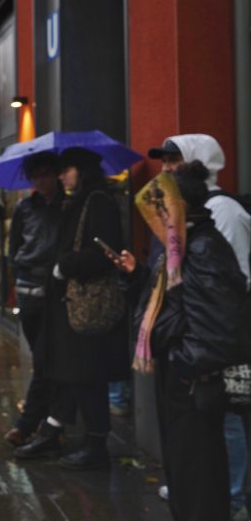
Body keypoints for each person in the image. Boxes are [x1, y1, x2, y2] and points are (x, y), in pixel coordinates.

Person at [109, 161, 251, 521]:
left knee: (199, 474)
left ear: (178, 207)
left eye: (159, 208)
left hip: (192, 380)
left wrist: (185, 366)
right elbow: (172, 304)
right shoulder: (182, 246)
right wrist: (135, 276)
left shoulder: (201, 247)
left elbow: (217, 324)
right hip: (183, 376)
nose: (154, 218)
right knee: (187, 470)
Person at [148, 134, 251, 520]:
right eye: (164, 161)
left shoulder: (219, 213)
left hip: (205, 357)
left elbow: (228, 288)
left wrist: (186, 360)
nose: (167, 168)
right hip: (191, 355)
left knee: (221, 428)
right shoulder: (187, 221)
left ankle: (233, 497)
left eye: (175, 160)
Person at [14, 147, 129, 469]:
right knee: (71, 373)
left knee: (85, 376)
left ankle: (95, 445)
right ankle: (54, 431)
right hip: (68, 304)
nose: (61, 176)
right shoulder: (78, 201)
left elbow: (104, 252)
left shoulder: (98, 201)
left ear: (82, 170)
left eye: (67, 170)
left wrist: (63, 267)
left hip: (84, 305)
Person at [4, 152, 62, 447]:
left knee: (45, 359)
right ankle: (49, 421)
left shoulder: (66, 205)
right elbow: (14, 247)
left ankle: (30, 424)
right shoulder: (26, 207)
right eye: (35, 176)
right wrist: (19, 272)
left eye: (45, 174)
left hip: (57, 290)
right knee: (44, 360)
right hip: (30, 290)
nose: (40, 181)